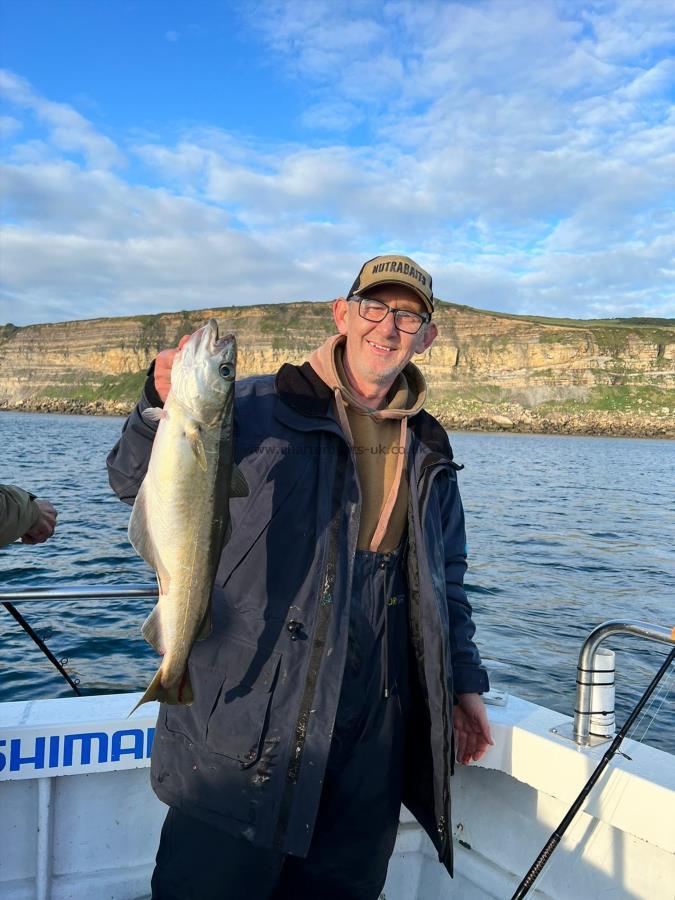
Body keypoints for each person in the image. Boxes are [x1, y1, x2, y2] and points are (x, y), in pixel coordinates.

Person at [107, 254, 493, 900]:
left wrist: (463, 683)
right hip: (241, 740)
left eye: (407, 315)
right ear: (342, 315)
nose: (387, 326)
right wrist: (157, 404)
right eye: (374, 307)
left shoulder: (431, 450)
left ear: (427, 336)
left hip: (364, 762)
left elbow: (444, 583)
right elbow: (128, 481)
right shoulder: (254, 405)